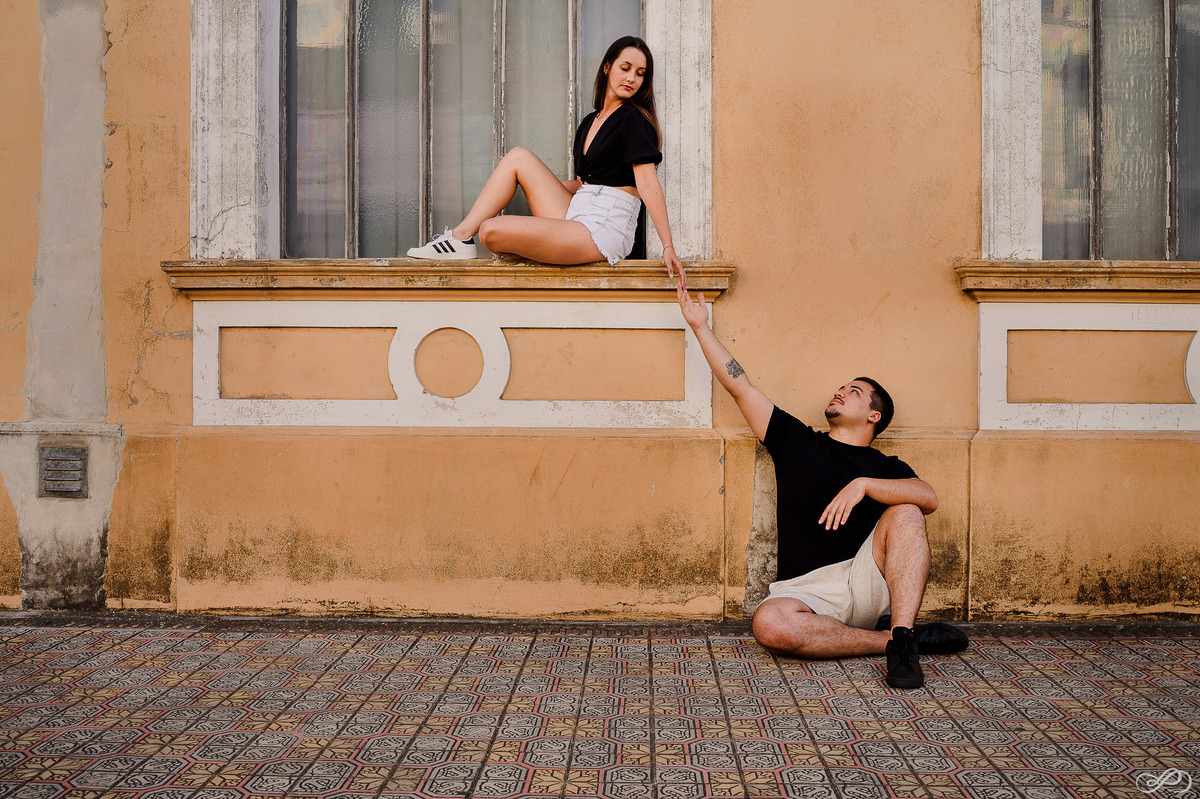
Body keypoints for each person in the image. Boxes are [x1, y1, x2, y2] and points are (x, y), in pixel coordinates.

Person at [677, 284, 968, 689]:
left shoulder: (886, 466)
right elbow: (739, 386)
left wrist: (864, 484)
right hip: (808, 592)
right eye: (842, 387)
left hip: (866, 581)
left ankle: (900, 633)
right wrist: (700, 327)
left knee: (905, 511)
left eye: (854, 392)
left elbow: (928, 498)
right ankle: (898, 639)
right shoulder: (797, 441)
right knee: (771, 626)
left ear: (873, 415)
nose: (840, 391)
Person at [407, 36, 683, 279]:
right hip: (578, 213)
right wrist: (524, 179)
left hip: (604, 227)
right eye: (625, 69)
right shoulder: (590, 121)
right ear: (607, 67)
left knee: (490, 231)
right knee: (517, 158)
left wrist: (667, 246)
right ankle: (458, 238)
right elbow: (584, 184)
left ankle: (468, 241)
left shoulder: (634, 119)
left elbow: (647, 184)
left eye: (640, 73)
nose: (631, 79)